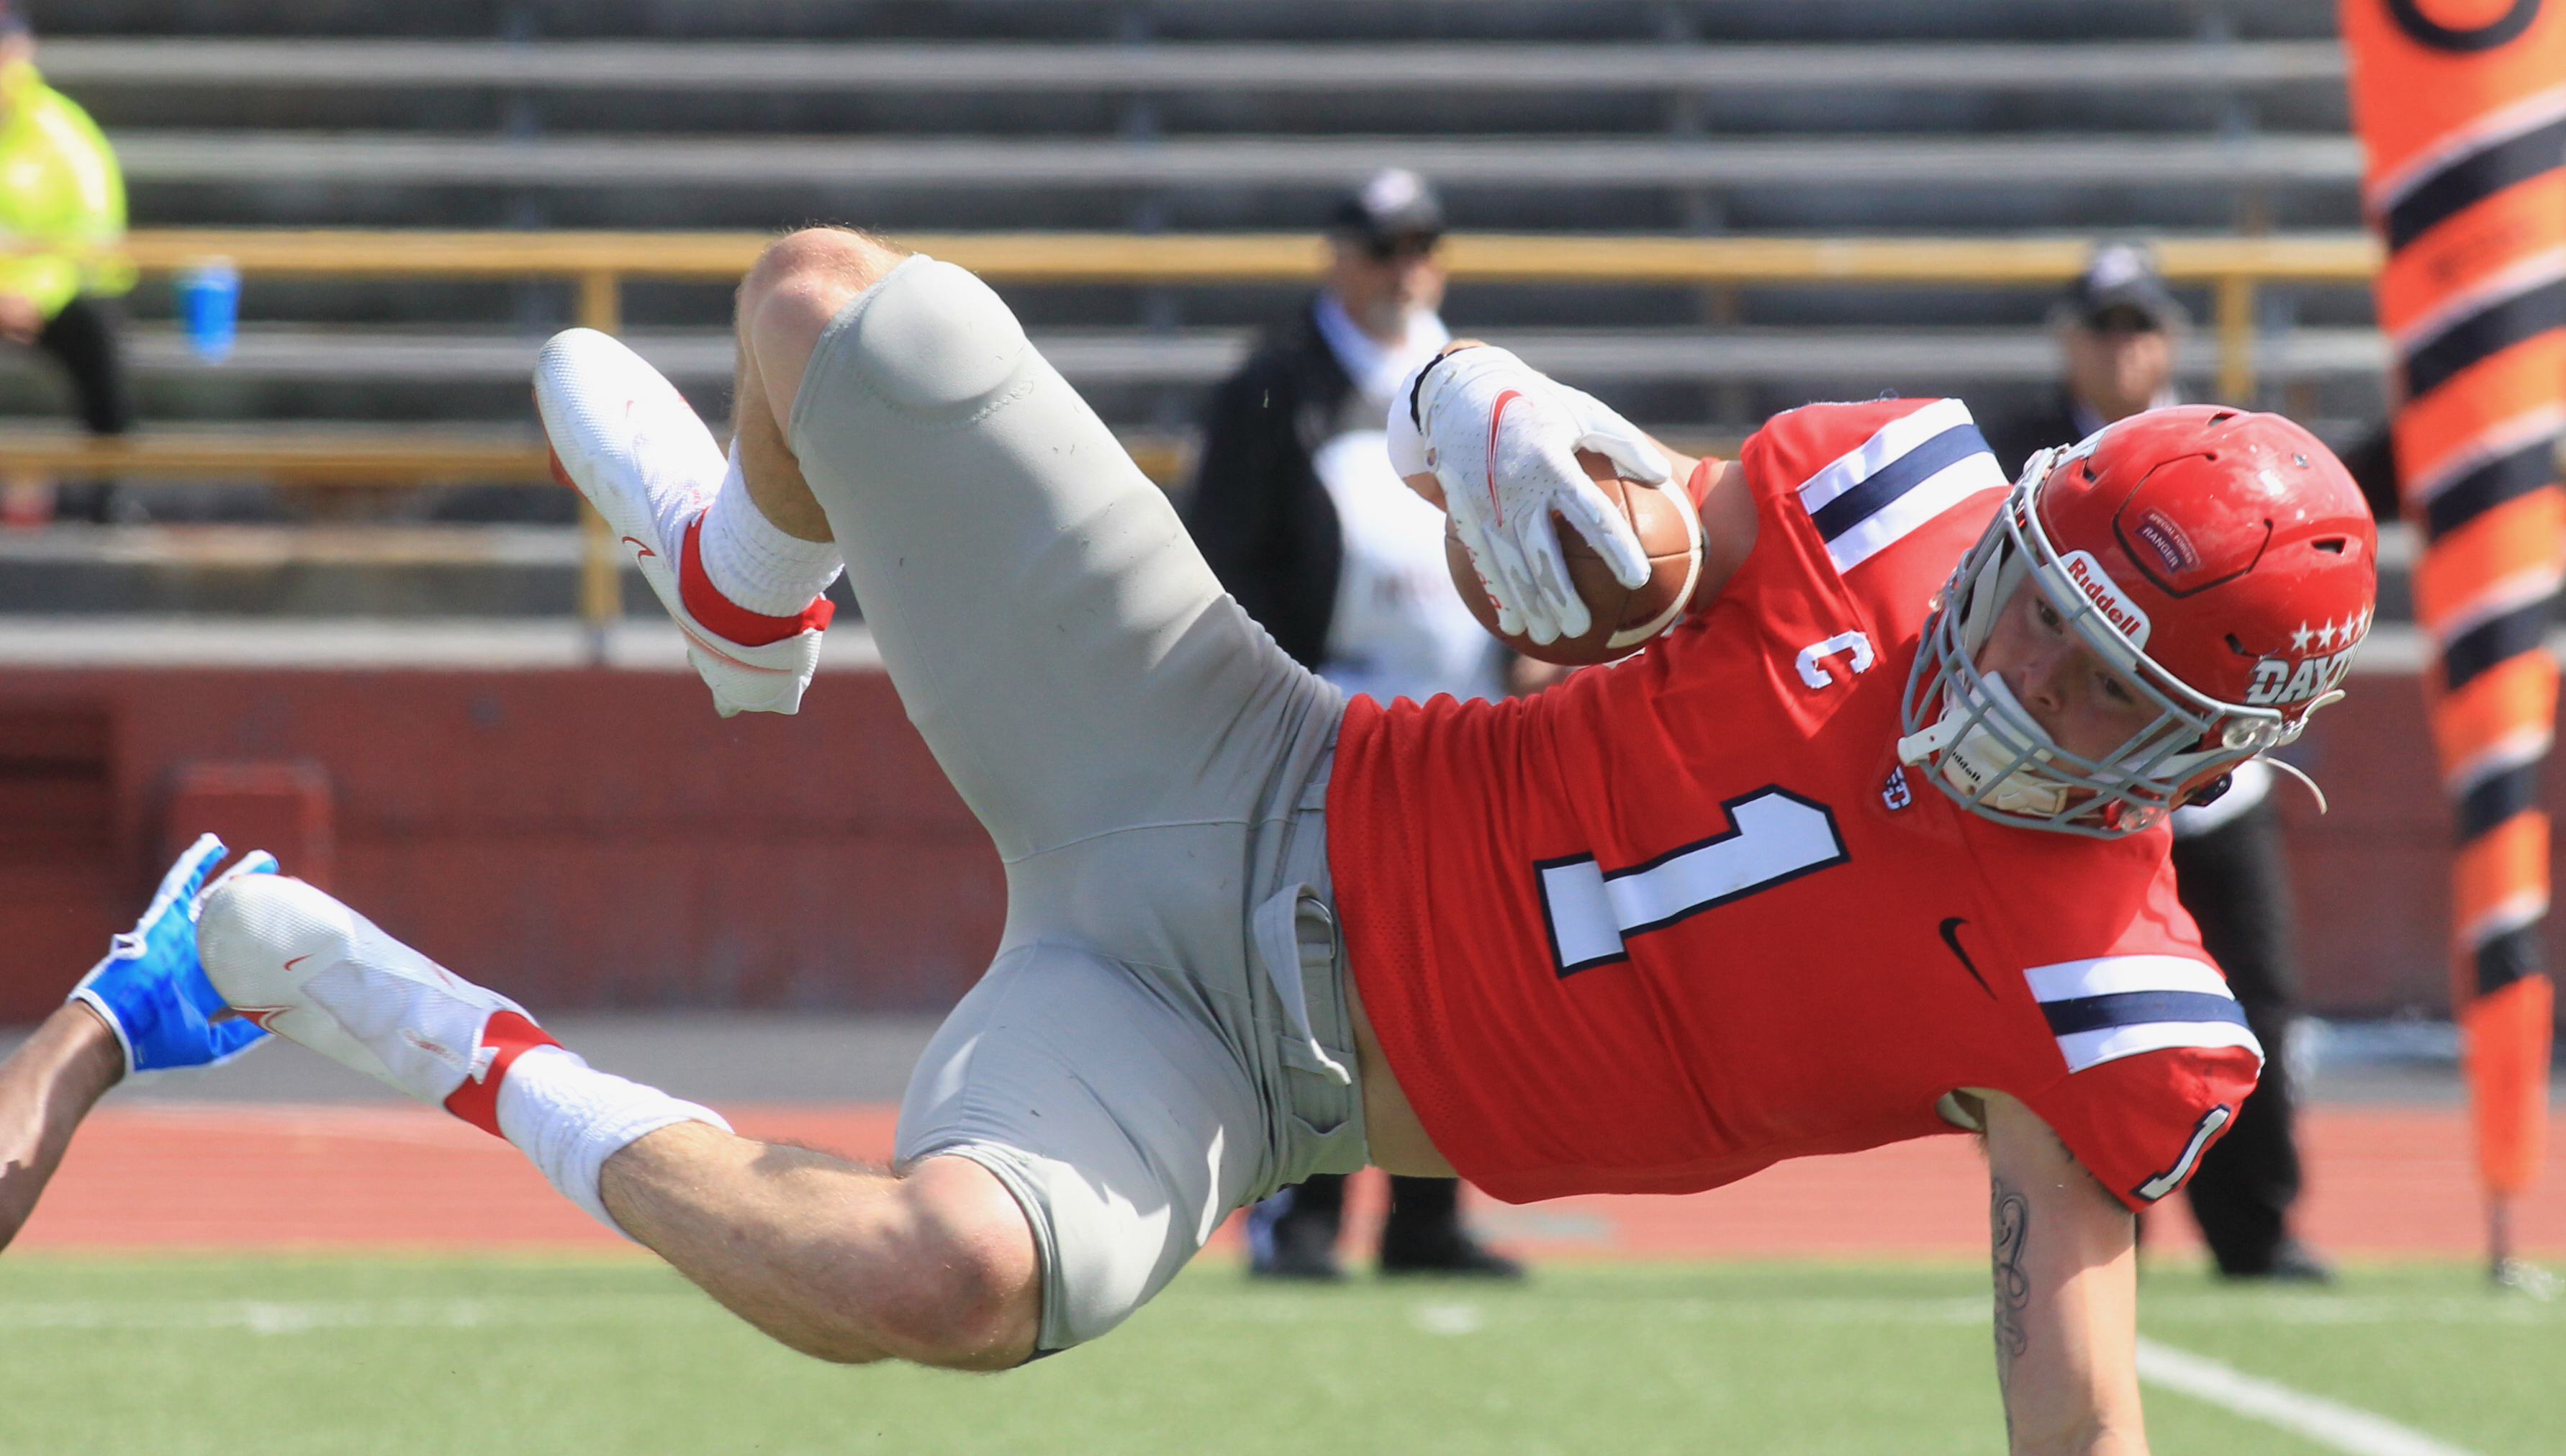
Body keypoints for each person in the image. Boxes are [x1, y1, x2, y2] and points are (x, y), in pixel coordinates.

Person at [0, 229, 2375, 1452]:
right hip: (1240, 757)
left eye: (2089, 680)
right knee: (837, 303)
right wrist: (1506, 441)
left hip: (1243, 1065)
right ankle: (744, 586)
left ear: (2208, 743)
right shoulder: (1900, 495)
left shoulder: (2112, 998)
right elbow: (1623, 559)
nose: (2009, 668)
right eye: (2031, 599)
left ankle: (290, 960)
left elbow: (2073, 1386)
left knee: (931, 1285)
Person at [1186, 169, 1518, 1280]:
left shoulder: (1474, 380)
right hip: (1330, 722)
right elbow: (1221, 563)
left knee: (1460, 983)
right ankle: (1302, 1217)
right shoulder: (1274, 389)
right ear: (1338, 253)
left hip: (1470, 724)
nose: (1403, 267)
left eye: (1422, 243)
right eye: (1382, 246)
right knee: (1319, 983)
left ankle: (1429, 1220)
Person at [1981, 245, 2334, 1282]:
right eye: (2104, 327)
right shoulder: (2020, 451)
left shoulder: (2244, 456)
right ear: (2068, 339)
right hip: (2071, 792)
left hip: (2211, 788)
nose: (2124, 348)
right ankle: (2074, 1226)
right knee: (2053, 1017)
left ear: (2170, 338)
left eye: (2140, 326)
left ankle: (2255, 1230)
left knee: (2253, 1007)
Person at [0, 4, 135, 528]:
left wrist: (33, 295)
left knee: (97, 330)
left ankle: (110, 494)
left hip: (46, 299)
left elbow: (93, 231)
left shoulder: (61, 131)